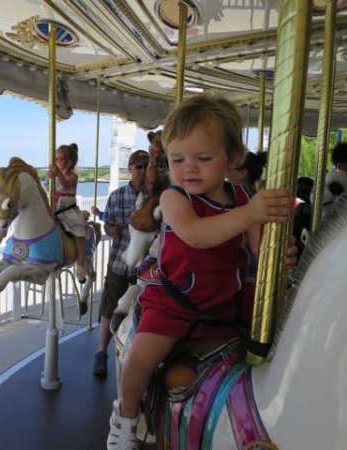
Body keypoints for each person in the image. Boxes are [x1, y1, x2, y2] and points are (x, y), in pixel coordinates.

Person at [108, 96, 293, 449]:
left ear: (232, 157)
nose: (189, 168)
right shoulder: (175, 199)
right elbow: (196, 235)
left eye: (204, 159)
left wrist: (278, 253)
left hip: (224, 308)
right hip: (174, 305)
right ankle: (125, 420)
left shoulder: (241, 197)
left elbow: (259, 247)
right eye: (178, 160)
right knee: (139, 359)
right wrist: (252, 214)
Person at [92, 149, 149, 378]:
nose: (143, 172)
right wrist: (110, 229)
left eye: (146, 167)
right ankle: (101, 352)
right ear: (131, 169)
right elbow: (108, 225)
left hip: (144, 265)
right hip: (119, 261)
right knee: (109, 306)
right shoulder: (117, 196)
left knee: (145, 310)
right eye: (139, 167)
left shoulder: (154, 197)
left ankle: (138, 355)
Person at [47, 143, 89, 283]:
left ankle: (81, 264)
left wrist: (57, 173)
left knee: (78, 232)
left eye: (60, 159)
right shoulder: (55, 176)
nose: (57, 162)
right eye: (56, 159)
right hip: (55, 209)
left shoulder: (73, 176)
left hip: (69, 210)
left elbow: (65, 184)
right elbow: (47, 188)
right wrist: (48, 178)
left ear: (69, 162)